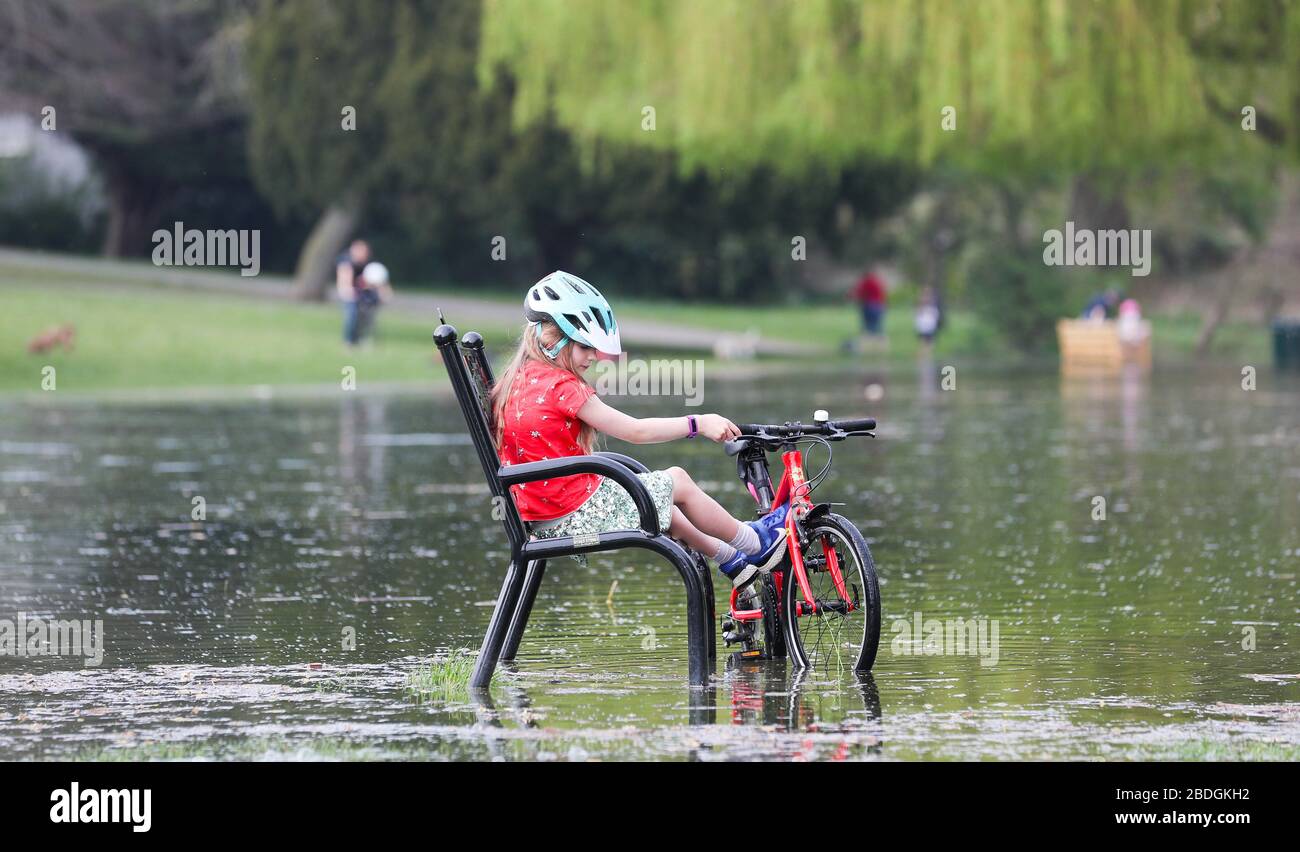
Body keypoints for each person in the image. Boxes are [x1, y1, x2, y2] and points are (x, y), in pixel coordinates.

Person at [490, 271, 788, 589]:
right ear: (553, 342)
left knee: (659, 500)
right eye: (584, 347)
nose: (594, 357)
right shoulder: (562, 387)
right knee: (678, 482)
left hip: (546, 518)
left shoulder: (517, 378)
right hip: (574, 518)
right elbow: (635, 432)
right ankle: (755, 543)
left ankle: (731, 559)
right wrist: (697, 423)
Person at [337, 239, 373, 346]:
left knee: (364, 318)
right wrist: (347, 291)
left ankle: (359, 339)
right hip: (350, 293)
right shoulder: (346, 261)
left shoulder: (366, 263)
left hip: (362, 293)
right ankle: (348, 340)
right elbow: (344, 278)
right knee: (351, 316)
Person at [851, 268, 887, 337]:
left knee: (869, 326)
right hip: (880, 305)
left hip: (870, 305)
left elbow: (860, 293)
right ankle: (879, 342)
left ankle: (869, 341)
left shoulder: (867, 281)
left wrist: (854, 298)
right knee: (878, 325)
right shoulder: (878, 281)